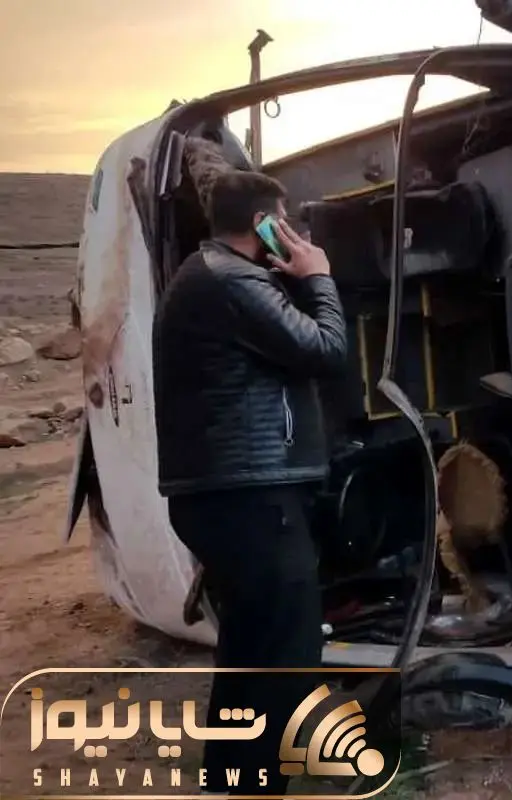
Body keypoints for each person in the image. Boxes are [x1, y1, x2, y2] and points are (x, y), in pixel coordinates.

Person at [152, 170, 347, 796]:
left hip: (229, 496)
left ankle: (234, 782)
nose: (291, 231)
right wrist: (317, 276)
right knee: (285, 654)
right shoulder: (233, 280)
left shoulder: (212, 275)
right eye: (282, 220)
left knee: (248, 650)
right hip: (250, 497)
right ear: (264, 223)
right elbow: (326, 349)